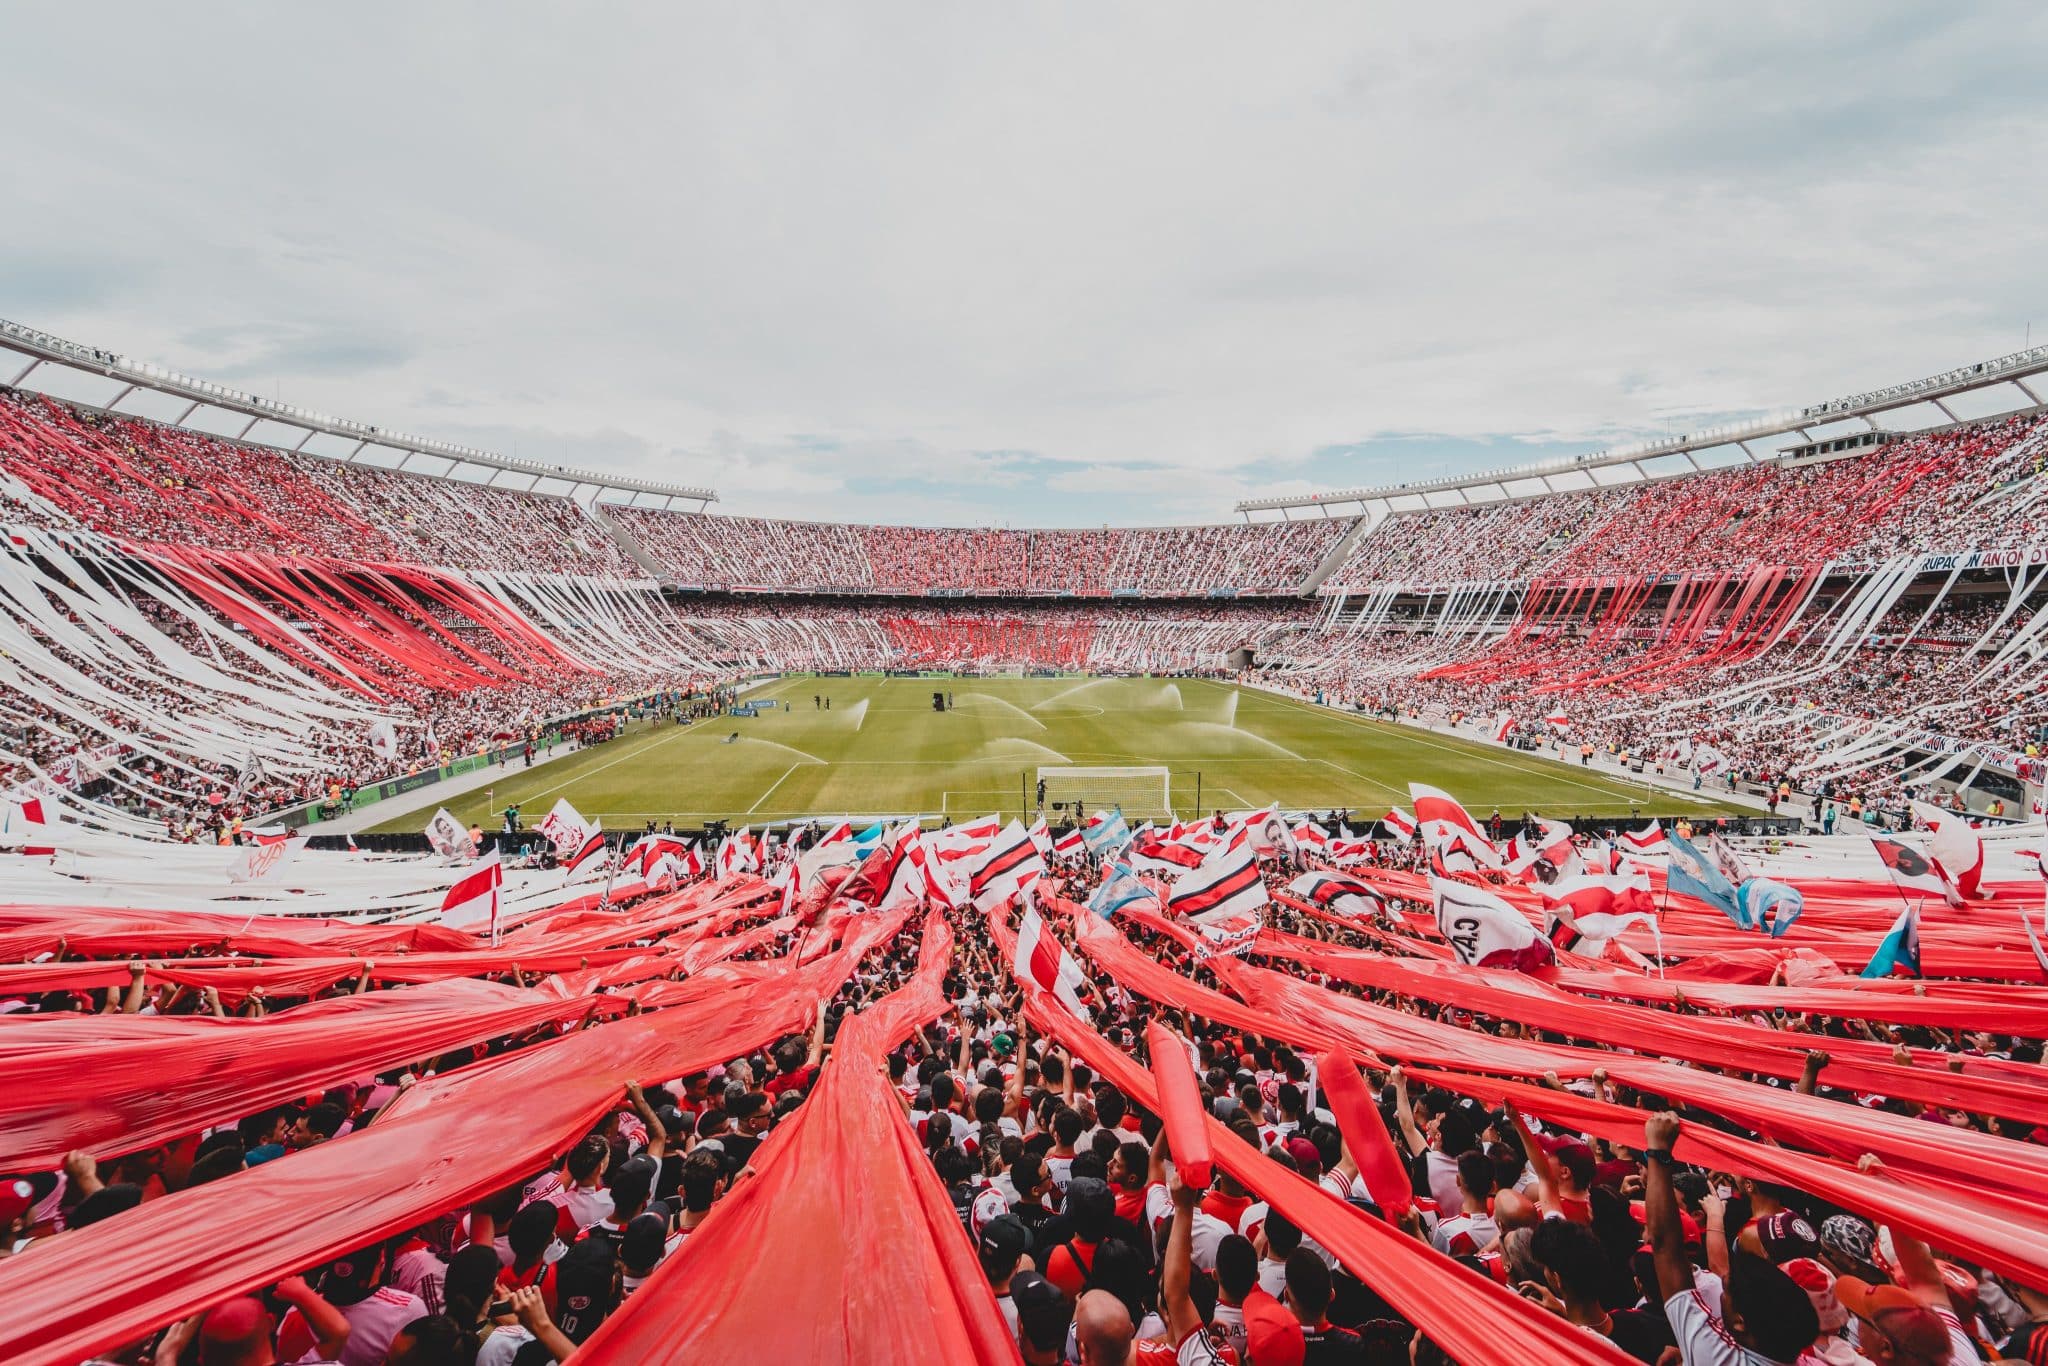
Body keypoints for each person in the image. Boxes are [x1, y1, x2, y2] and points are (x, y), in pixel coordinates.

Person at [1643, 1112, 1819, 1364]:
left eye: (1727, 1292)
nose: (1723, 1281)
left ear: (1740, 1321)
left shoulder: (1716, 1357)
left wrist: (1658, 1151)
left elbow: (1664, 1246)